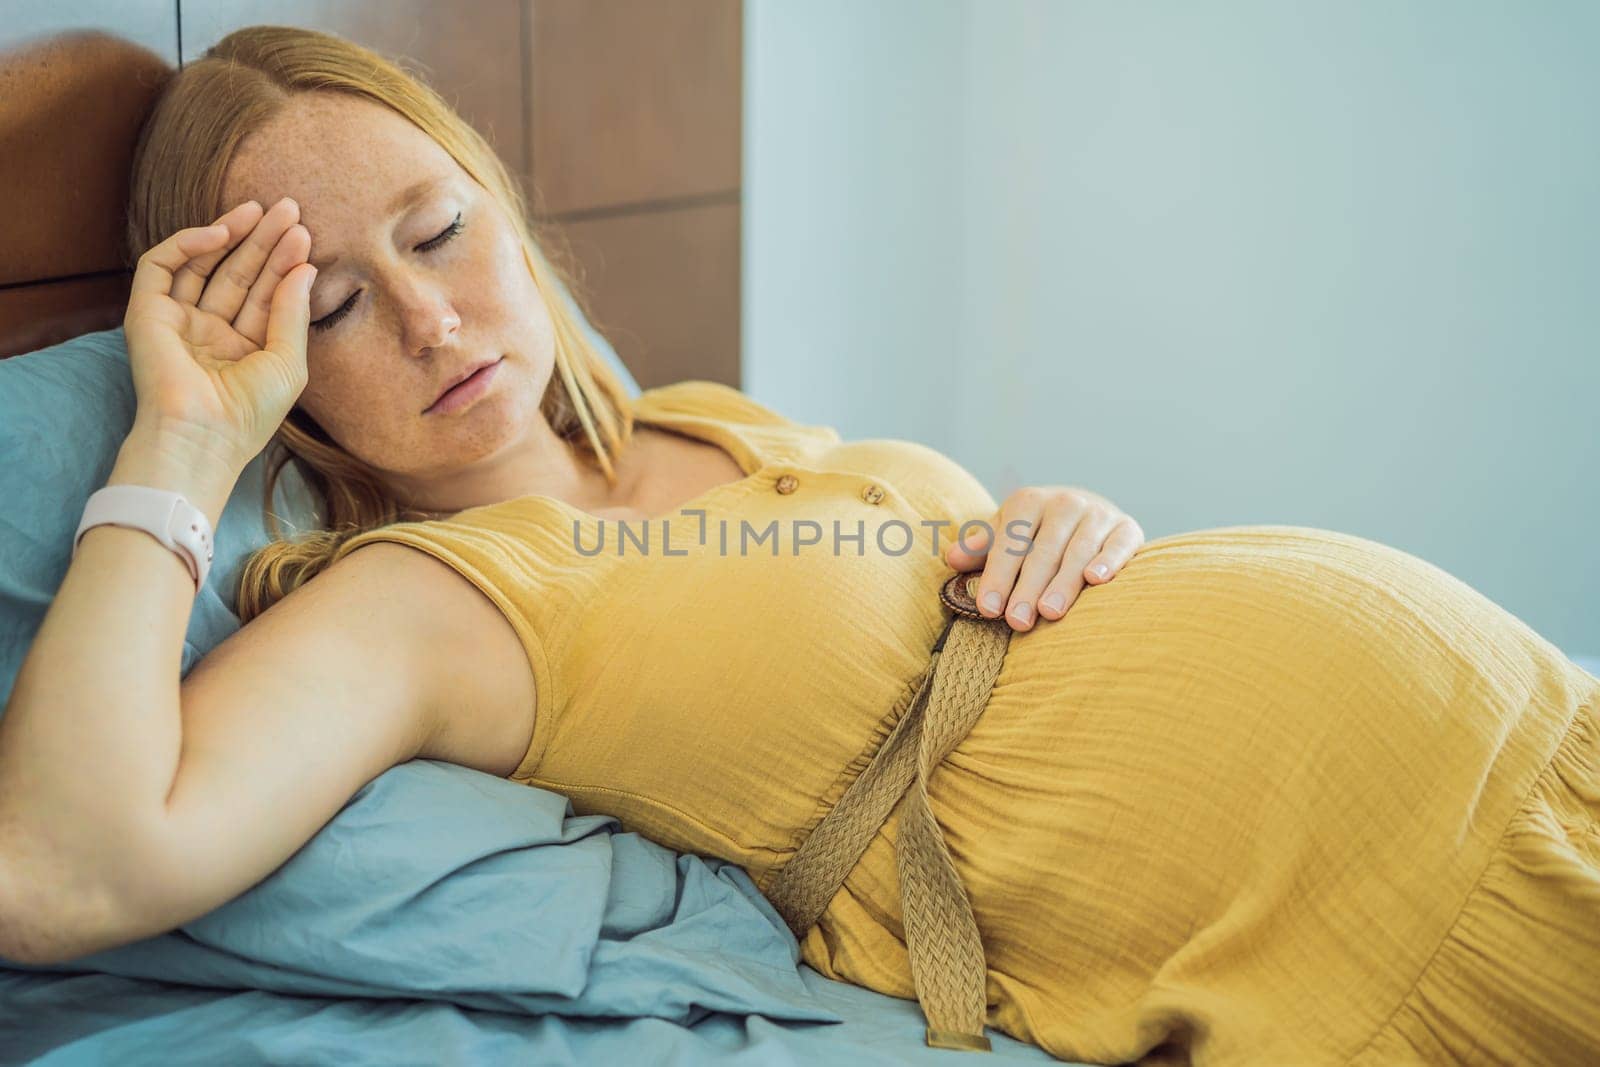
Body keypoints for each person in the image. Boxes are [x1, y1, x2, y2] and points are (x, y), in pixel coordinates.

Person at [1, 25, 1595, 1066]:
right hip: (1360, 908)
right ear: (271, 368)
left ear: (502, 202)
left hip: (1529, 727)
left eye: (439, 231)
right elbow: (66, 873)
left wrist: (1064, 526)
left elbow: (958, 596)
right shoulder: (430, 605)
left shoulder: (703, 421)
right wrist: (182, 438)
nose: (429, 319)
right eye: (332, 305)